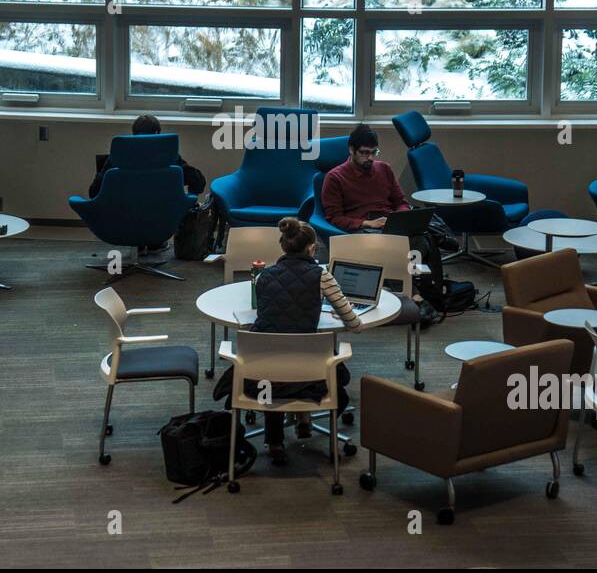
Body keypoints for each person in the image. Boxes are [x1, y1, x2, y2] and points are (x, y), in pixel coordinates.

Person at [214, 218, 362, 466]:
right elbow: (355, 326)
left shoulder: (264, 277)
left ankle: (276, 442)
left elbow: (272, 316)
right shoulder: (321, 276)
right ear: (312, 248)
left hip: (261, 377)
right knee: (328, 369)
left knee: (274, 361)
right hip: (310, 375)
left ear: (282, 246)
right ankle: (305, 420)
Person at [88, 114, 206, 199]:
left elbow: (94, 192)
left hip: (123, 217)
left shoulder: (118, 157)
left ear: (134, 134)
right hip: (163, 221)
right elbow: (198, 183)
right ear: (157, 134)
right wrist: (189, 199)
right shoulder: (170, 157)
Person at [321, 124, 411, 233]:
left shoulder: (385, 169)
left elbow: (401, 203)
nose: (370, 158)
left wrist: (399, 218)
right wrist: (367, 224)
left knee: (423, 237)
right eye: (365, 152)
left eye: (374, 152)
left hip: (388, 223)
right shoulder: (335, 177)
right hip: (362, 228)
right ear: (351, 150)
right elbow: (334, 218)